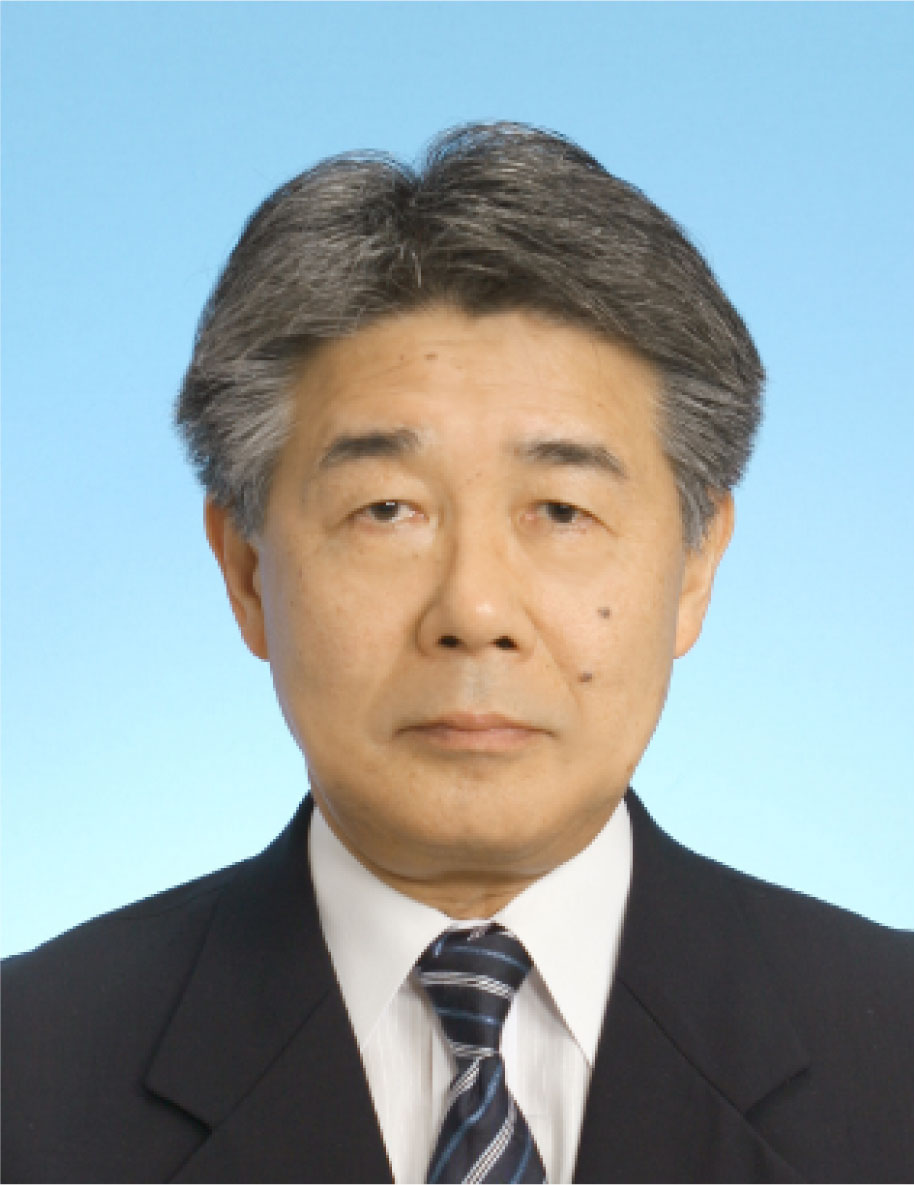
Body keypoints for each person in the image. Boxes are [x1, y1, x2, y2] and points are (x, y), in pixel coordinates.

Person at [2, 123, 910, 1185]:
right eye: (387, 509)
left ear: (694, 568)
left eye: (561, 510)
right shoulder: (29, 1072)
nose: (475, 610)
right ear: (246, 570)